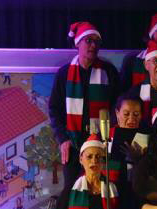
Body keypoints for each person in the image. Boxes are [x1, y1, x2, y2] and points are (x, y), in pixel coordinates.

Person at [49, 21, 120, 189]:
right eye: (88, 40)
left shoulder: (109, 72)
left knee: (103, 189)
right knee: (73, 190)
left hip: (102, 144)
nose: (93, 45)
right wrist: (63, 138)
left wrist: (109, 135)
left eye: (97, 41)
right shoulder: (64, 73)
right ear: (78, 43)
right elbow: (54, 109)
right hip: (74, 145)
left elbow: (117, 108)